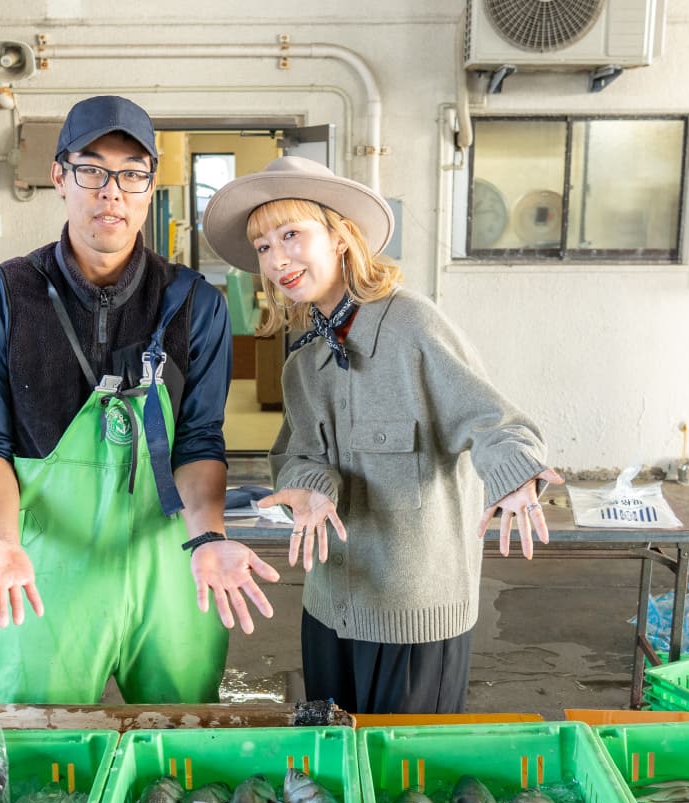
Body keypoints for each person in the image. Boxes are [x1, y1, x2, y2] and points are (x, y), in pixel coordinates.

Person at [0, 96, 278, 705]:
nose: (111, 192)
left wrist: (208, 539)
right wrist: (3, 538)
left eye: (131, 173)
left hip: (174, 565)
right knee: (44, 757)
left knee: (180, 758)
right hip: (44, 570)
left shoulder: (192, 304)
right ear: (59, 176)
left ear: (150, 185)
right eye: (92, 170)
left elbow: (201, 438)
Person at [201, 155, 562, 714]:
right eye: (264, 246)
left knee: (406, 779)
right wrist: (312, 485)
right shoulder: (303, 360)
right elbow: (297, 453)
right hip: (329, 607)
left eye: (292, 234)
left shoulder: (413, 324)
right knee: (331, 763)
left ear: (340, 236)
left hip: (413, 614)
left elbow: (493, 421)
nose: (277, 259)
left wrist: (515, 477)